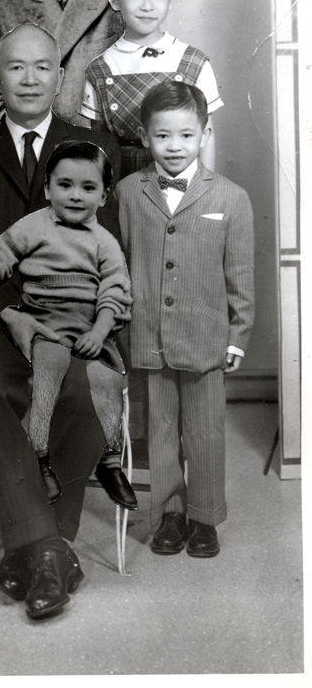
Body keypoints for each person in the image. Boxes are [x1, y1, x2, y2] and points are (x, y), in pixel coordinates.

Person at [0, 23, 128, 621]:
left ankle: (35, 547)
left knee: (81, 387)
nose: (29, 78)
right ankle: (51, 550)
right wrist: (9, 314)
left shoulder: (94, 145)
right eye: (15, 67)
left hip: (74, 319)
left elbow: (113, 251)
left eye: (42, 66)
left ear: (59, 75)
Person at [116, 80, 254, 558]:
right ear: (144, 136)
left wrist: (237, 336)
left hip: (205, 337)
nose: (174, 147)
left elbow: (239, 273)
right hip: (149, 335)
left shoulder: (231, 198)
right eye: (162, 136)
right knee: (159, 429)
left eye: (186, 136)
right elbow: (122, 261)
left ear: (205, 133)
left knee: (205, 433)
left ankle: (205, 517)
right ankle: (169, 513)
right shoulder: (128, 193)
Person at [0, 141, 132, 504]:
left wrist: (100, 332)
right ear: (48, 188)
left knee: (107, 379)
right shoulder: (31, 227)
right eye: (65, 185)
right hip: (44, 324)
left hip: (90, 329)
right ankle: (40, 458)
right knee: (48, 369)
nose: (76, 196)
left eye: (88, 188)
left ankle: (111, 460)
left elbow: (116, 291)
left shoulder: (105, 242)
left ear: (103, 196)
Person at [81, 0, 223, 176]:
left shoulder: (193, 62)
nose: (147, 6)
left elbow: (207, 135)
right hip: (119, 184)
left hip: (181, 182)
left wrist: (202, 194)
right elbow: (97, 143)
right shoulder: (100, 68)